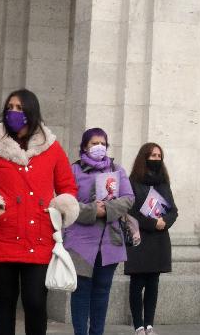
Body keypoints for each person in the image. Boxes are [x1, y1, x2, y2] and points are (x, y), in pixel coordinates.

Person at [0, 89, 80, 335]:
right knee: (5, 302)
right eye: (10, 107)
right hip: (2, 234)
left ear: (31, 111)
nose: (13, 112)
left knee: (35, 301)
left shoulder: (51, 147)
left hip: (38, 234)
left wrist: (61, 208)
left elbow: (67, 186)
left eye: (19, 107)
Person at [64, 128, 134, 335]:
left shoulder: (117, 170)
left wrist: (108, 210)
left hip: (109, 241)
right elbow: (66, 202)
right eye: (94, 143)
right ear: (85, 146)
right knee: (81, 291)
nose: (99, 147)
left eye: (102, 143)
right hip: (80, 241)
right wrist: (93, 210)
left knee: (102, 292)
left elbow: (128, 198)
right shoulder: (74, 170)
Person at [126, 142, 178, 335]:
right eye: (152, 155)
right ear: (143, 157)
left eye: (159, 156)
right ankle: (138, 325)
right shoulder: (132, 182)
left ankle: (149, 325)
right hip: (140, 239)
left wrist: (165, 221)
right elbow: (129, 212)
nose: (156, 159)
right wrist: (152, 223)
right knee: (137, 283)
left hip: (159, 240)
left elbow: (173, 209)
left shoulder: (163, 182)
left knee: (153, 284)